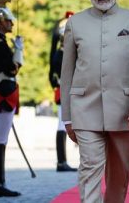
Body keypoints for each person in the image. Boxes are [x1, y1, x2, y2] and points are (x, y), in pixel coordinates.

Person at [60, 0, 129, 202]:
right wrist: (68, 117)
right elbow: (67, 71)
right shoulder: (75, 23)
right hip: (85, 108)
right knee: (90, 167)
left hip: (125, 112)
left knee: (119, 176)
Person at [0, 7, 23, 197]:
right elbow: (12, 70)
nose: (11, 24)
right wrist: (19, 51)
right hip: (1, 93)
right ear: (0, 21)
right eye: (8, 21)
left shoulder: (1, 41)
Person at [49, 11, 77, 172]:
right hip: (65, 91)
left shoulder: (64, 53)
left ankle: (63, 161)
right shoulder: (61, 54)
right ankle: (61, 161)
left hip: (69, 91)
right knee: (62, 125)